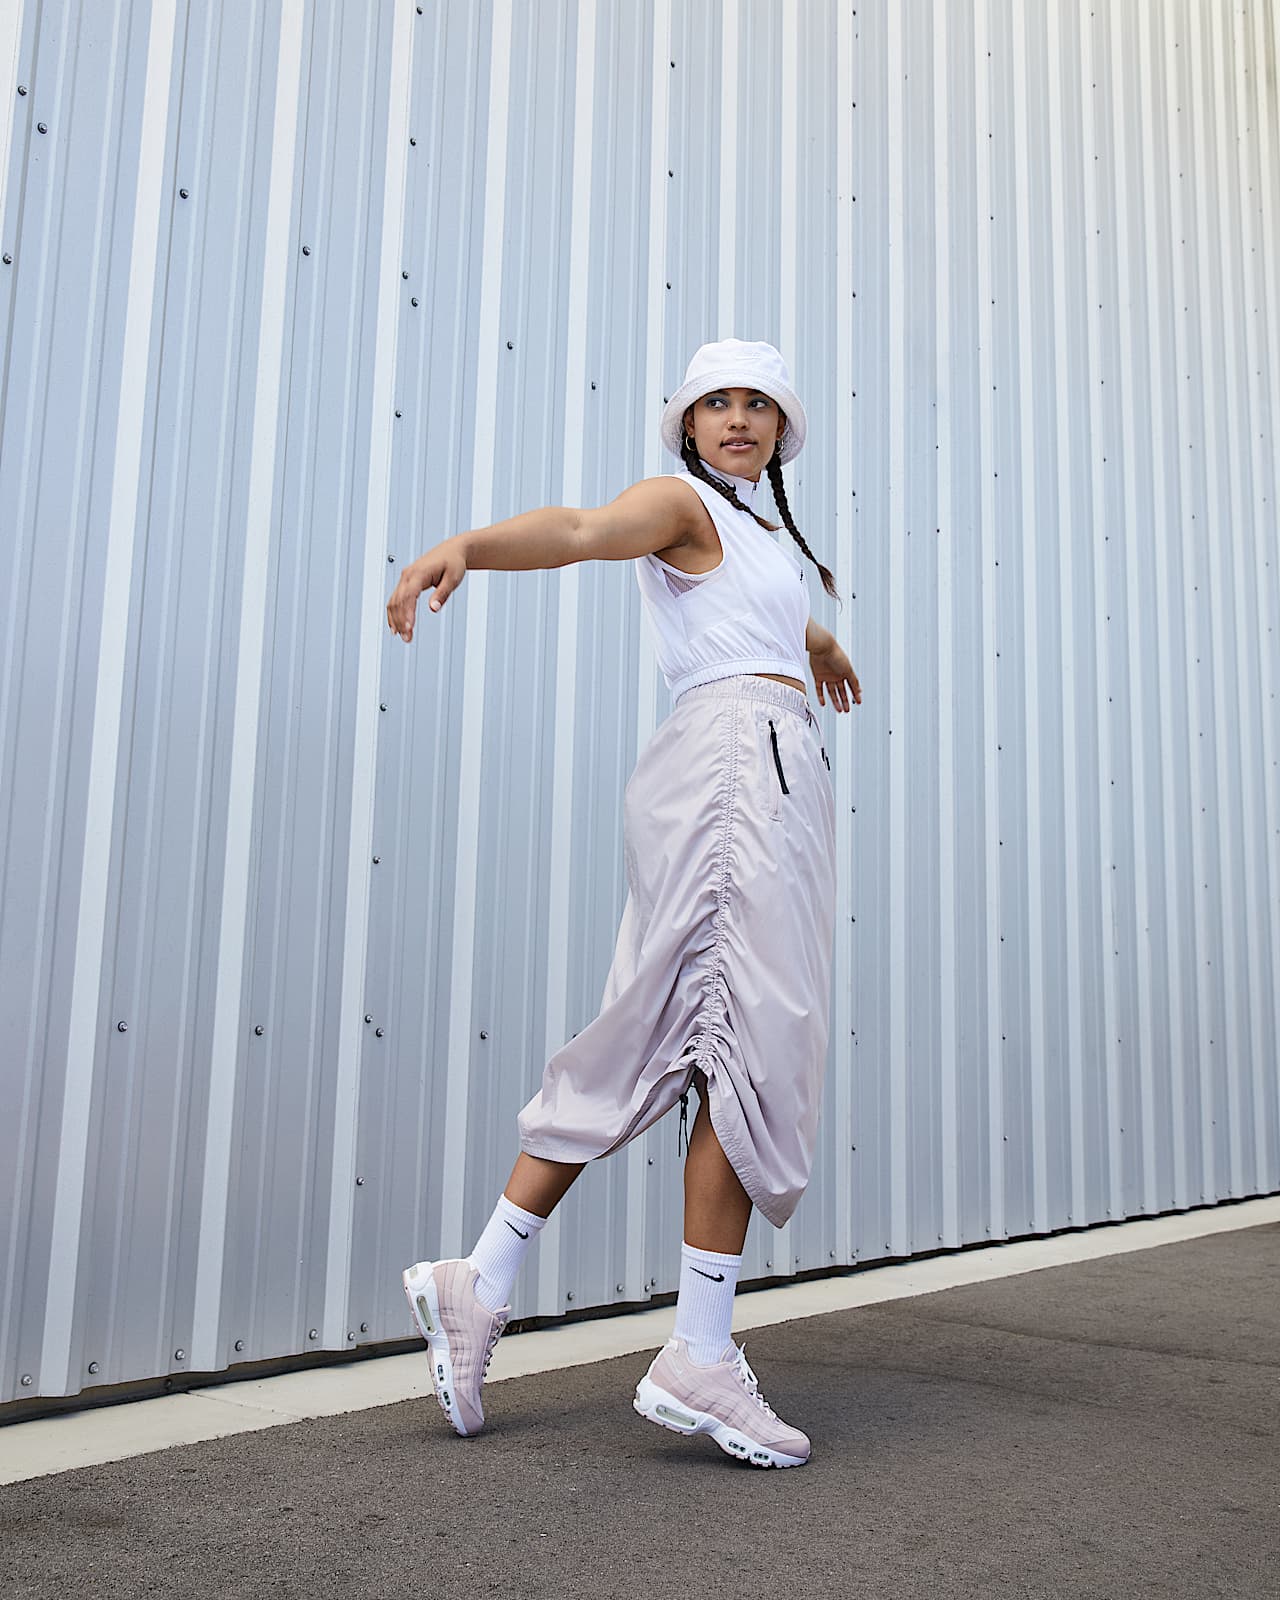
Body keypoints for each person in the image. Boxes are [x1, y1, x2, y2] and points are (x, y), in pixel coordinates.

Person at [385, 338, 861, 1468]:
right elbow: (584, 530)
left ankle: (484, 1276)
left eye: (757, 404)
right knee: (737, 1037)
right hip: (736, 769)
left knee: (691, 1034)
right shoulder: (676, 502)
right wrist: (472, 548)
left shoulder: (752, 534)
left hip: (767, 768)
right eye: (715, 404)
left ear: (779, 432)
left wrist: (822, 639)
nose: (737, 418)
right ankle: (694, 1351)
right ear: (686, 424)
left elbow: (766, 613)